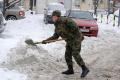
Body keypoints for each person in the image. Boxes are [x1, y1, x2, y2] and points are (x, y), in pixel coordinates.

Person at [42, 10, 89, 78]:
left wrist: (71, 35)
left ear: (57, 16)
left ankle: (85, 69)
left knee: (75, 54)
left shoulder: (66, 20)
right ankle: (70, 70)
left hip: (76, 38)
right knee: (67, 55)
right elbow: (55, 36)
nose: (52, 18)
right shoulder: (57, 25)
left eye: (53, 17)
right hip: (69, 40)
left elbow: (75, 27)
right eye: (52, 17)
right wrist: (46, 41)